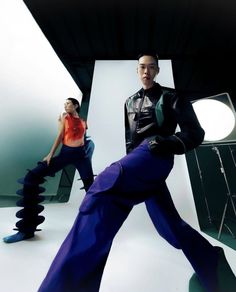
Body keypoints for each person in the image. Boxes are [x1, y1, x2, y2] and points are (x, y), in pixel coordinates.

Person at [38, 55, 236, 292]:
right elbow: (130, 141)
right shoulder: (129, 102)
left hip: (159, 154)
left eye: (152, 67)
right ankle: (215, 268)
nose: (147, 71)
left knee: (101, 194)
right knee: (169, 227)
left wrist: (168, 142)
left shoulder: (172, 97)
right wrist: (129, 162)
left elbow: (196, 133)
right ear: (137, 70)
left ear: (157, 70)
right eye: (143, 67)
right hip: (139, 159)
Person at [3, 97, 94, 244]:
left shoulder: (84, 122)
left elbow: (84, 139)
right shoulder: (64, 117)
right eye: (64, 103)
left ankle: (96, 227)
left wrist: (88, 153)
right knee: (31, 178)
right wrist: (51, 154)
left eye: (68, 103)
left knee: (92, 190)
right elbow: (60, 136)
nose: (65, 105)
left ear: (76, 105)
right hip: (65, 154)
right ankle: (26, 230)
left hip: (81, 157)